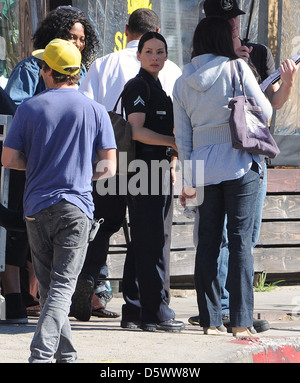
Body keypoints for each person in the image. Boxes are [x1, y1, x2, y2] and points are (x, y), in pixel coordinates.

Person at [1, 38, 116, 362]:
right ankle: (42, 355)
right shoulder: (95, 110)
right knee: (62, 288)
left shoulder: (29, 108)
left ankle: (66, 356)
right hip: (76, 208)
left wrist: (36, 164)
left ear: (47, 71)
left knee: (53, 288)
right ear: (76, 72)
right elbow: (109, 166)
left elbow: (8, 159)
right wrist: (82, 173)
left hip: (36, 208)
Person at [188, 0, 300, 333]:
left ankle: (229, 312)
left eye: (235, 19)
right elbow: (261, 110)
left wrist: (289, 83)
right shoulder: (212, 66)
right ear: (213, 27)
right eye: (226, 21)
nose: (233, 25)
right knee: (223, 240)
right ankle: (226, 312)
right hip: (237, 163)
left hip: (244, 157)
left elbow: (273, 105)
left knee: (241, 239)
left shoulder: (257, 54)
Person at [70, 8, 182, 322]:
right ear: (155, 31)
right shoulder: (168, 67)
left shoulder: (103, 64)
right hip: (151, 164)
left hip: (111, 158)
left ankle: (89, 278)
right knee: (150, 234)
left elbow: (83, 110)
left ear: (126, 29)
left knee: (100, 225)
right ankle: (143, 301)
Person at [173, 16, 273, 336]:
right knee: (241, 242)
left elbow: (183, 138)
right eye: (231, 34)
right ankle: (241, 320)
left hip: (202, 166)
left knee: (208, 243)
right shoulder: (236, 68)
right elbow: (266, 114)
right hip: (239, 161)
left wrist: (189, 179)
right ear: (220, 39)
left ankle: (210, 320)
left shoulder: (181, 80)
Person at [1, 5, 100, 322]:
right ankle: (18, 300)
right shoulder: (32, 69)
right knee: (20, 231)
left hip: (70, 172)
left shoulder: (85, 74)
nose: (77, 43)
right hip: (30, 166)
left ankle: (43, 301)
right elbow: (15, 116)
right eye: (71, 36)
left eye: (82, 38)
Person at [120, 31, 183, 332]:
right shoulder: (138, 85)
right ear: (139, 55)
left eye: (160, 52)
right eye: (149, 51)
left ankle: (133, 309)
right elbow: (135, 131)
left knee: (143, 241)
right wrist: (174, 142)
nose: (155, 57)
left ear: (167, 56)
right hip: (142, 172)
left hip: (156, 170)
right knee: (151, 241)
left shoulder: (160, 88)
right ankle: (154, 312)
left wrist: (170, 158)